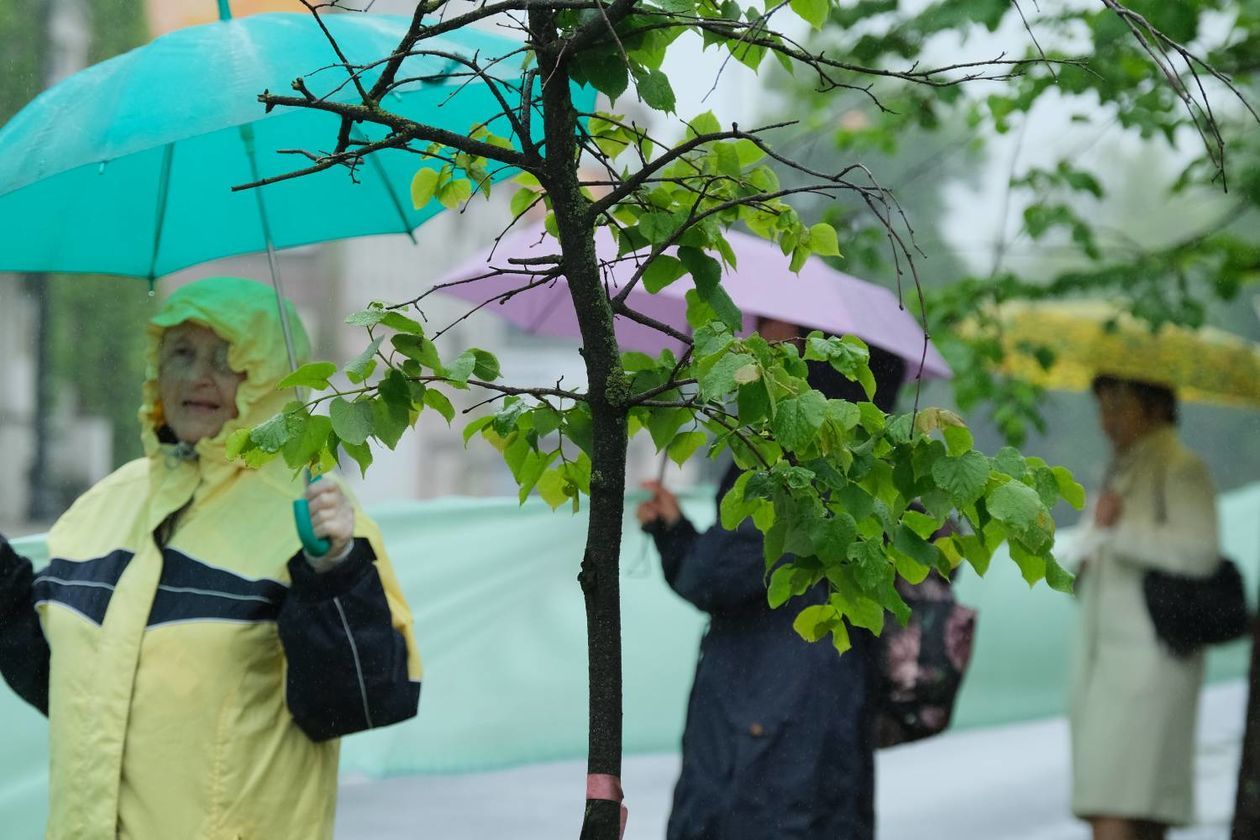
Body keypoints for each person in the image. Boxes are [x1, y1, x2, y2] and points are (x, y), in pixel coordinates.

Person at [0, 277, 421, 840]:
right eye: (182, 353)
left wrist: (335, 573)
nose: (199, 376)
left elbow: (363, 702)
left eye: (228, 358)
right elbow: (61, 679)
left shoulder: (312, 518)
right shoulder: (104, 505)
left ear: (270, 377)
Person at [637, 318, 906, 840]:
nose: (756, 338)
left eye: (772, 331)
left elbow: (719, 574)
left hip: (763, 711)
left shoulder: (783, 455)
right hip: (832, 698)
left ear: (811, 348)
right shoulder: (873, 455)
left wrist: (673, 535)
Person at [1068, 375, 1219, 840]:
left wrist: (1119, 532)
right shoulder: (1117, 471)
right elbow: (1084, 558)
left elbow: (1201, 553)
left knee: (1116, 806)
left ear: (1153, 407)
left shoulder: (1180, 467)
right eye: (1102, 407)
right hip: (1105, 666)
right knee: (1125, 807)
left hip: (1151, 666)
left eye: (1118, 406)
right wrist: (1093, 537)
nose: (1106, 420)